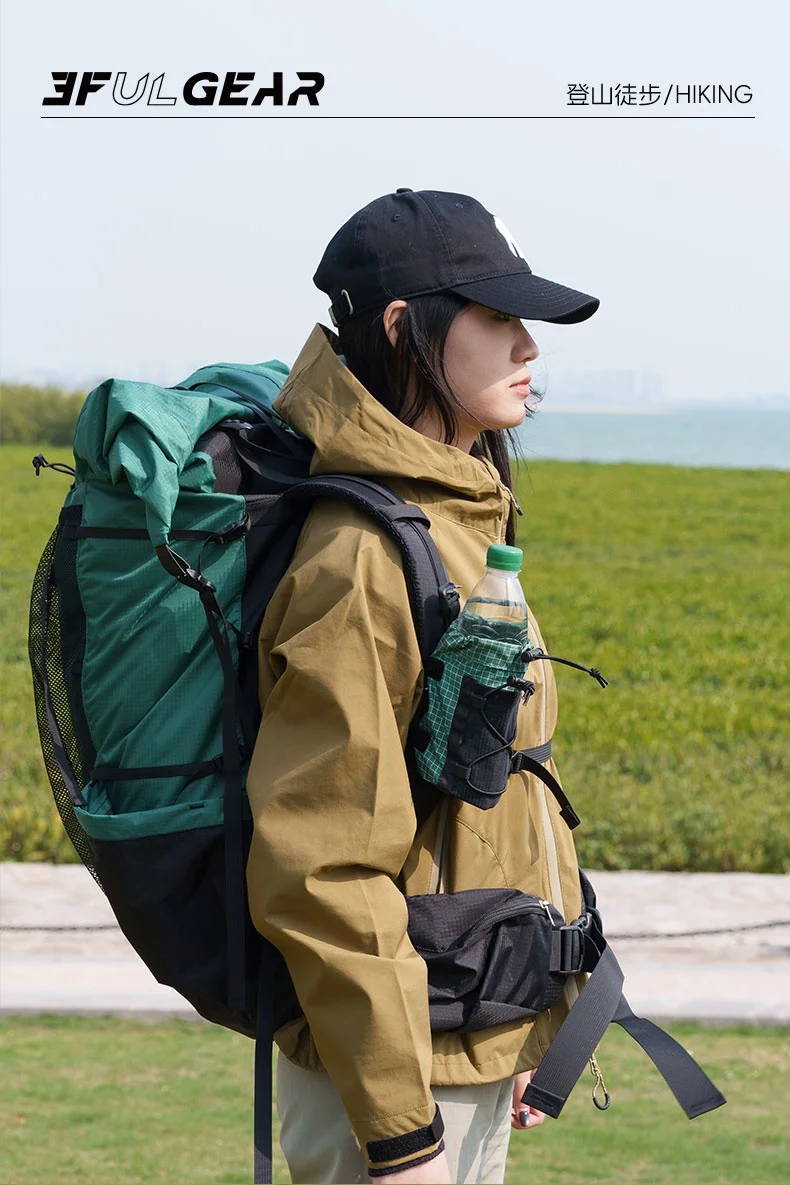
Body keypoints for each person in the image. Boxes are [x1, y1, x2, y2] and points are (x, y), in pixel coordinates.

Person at [245, 188, 599, 1184]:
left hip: (459, 1033)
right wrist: (402, 1138)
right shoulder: (364, 553)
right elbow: (322, 865)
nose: (528, 346)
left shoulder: (454, 519)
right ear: (404, 326)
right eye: (497, 317)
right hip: (393, 1081)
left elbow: (497, 798)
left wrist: (528, 1019)